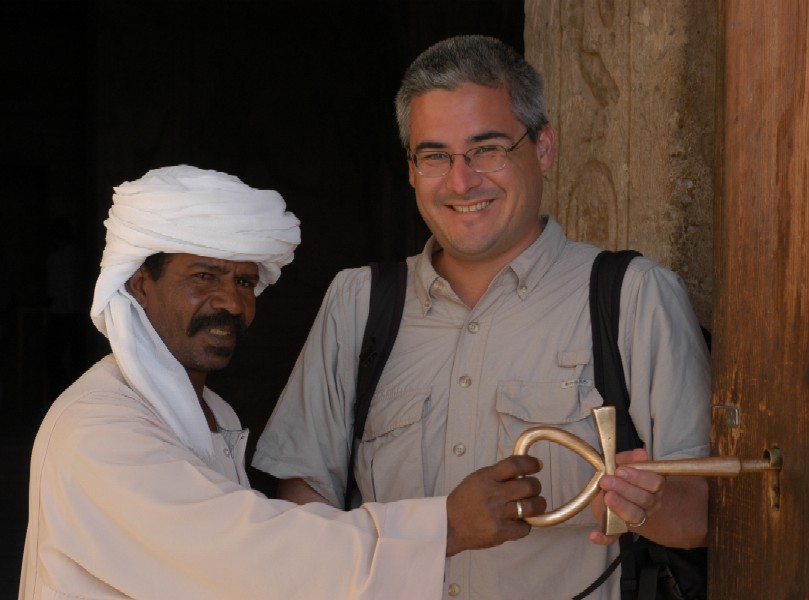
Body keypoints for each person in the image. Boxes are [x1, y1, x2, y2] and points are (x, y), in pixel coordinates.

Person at [253, 35, 711, 599]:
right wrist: (440, 529)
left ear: (542, 147)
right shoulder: (358, 304)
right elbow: (301, 513)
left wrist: (646, 506)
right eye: (435, 155)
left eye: (487, 148)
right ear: (412, 170)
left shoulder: (635, 297)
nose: (461, 180)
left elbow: (703, 518)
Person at [19, 165, 544, 600]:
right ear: (139, 285)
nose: (231, 302)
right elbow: (245, 556)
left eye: (244, 281)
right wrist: (444, 527)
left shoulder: (212, 413)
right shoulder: (97, 427)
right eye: (204, 276)